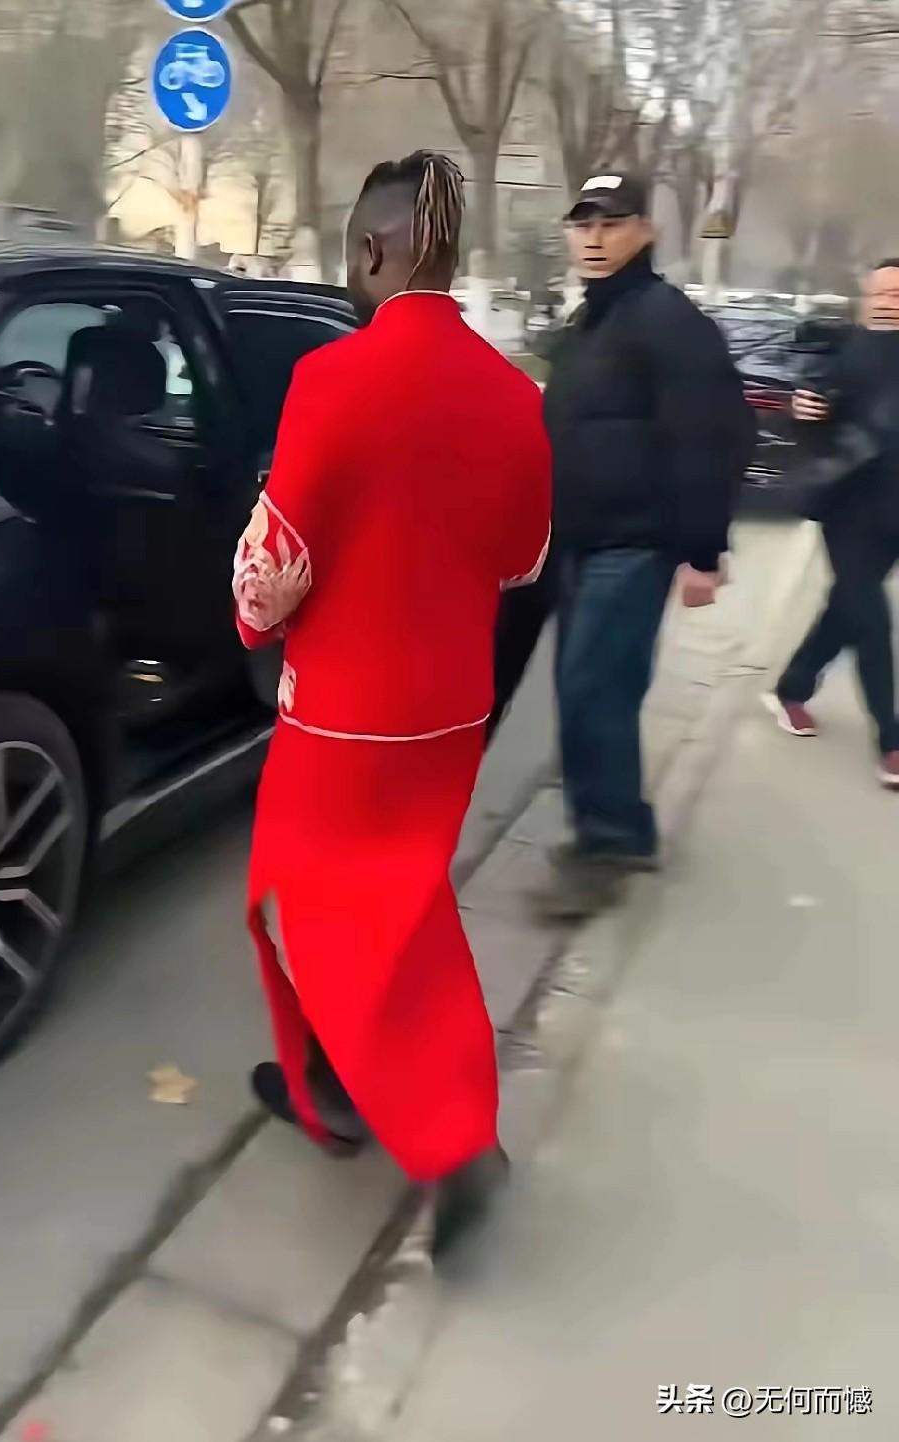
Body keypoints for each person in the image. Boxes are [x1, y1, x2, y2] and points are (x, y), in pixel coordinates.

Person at [232, 152, 551, 1256]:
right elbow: (523, 558)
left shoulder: (332, 379)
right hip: (451, 709)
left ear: (372, 250)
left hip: (344, 716)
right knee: (399, 903)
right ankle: (356, 1086)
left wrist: (252, 616)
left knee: (318, 909)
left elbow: (270, 574)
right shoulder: (515, 396)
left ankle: (446, 1138)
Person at [537, 171, 751, 920]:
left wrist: (703, 551)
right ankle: (613, 827)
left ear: (645, 232)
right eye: (583, 224)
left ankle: (610, 843)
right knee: (585, 690)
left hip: (635, 543)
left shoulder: (668, 320)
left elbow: (714, 438)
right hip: (580, 541)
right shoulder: (589, 321)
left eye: (612, 223)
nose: (594, 238)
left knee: (595, 689)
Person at [766, 261, 899, 787]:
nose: (888, 302)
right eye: (880, 293)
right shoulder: (841, 350)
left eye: (898, 294)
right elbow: (804, 407)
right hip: (849, 507)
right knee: (872, 621)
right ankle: (890, 741)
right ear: (864, 299)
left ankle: (792, 687)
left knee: (847, 609)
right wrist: (802, 409)